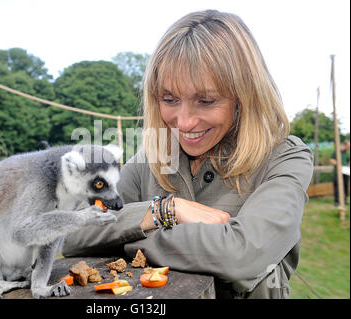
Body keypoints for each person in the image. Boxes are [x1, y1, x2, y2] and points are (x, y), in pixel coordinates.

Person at [62, 10, 313, 299]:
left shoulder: (285, 158)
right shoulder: (154, 154)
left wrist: (128, 237)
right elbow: (70, 231)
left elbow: (242, 256)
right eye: (169, 99)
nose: (183, 123)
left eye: (206, 101)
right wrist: (165, 210)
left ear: (244, 95)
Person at [330, 140, 350, 206]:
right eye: (349, 146)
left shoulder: (347, 153)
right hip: (337, 172)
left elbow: (348, 161)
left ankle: (345, 200)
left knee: (345, 186)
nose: (349, 148)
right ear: (345, 145)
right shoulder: (337, 151)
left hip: (345, 172)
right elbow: (331, 159)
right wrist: (338, 164)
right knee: (337, 186)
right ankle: (337, 201)